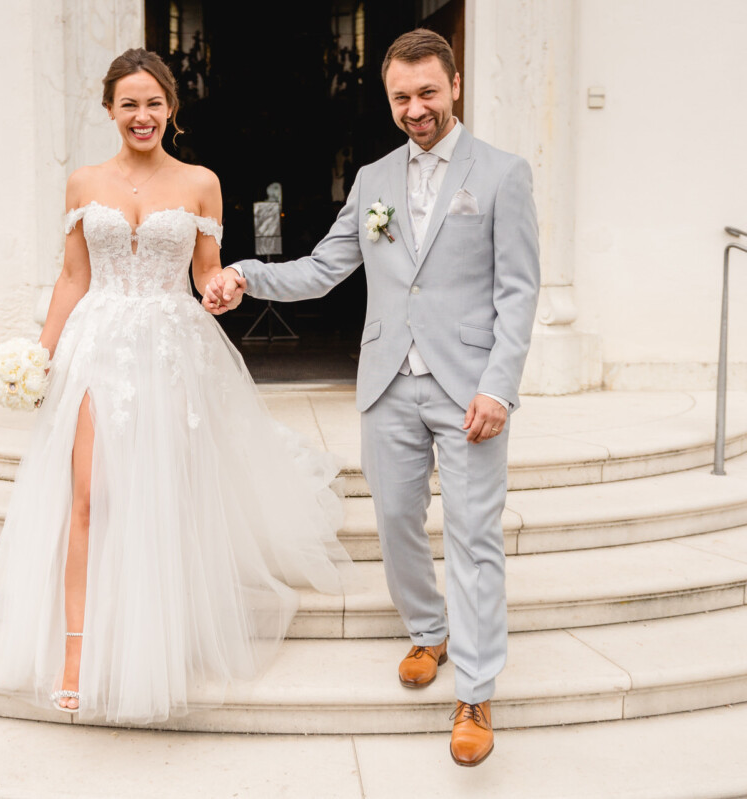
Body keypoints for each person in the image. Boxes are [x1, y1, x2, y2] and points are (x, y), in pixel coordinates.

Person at [0, 48, 352, 724]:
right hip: (96, 344)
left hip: (170, 346)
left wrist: (221, 289)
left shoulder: (201, 183)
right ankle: (75, 649)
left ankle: (163, 636)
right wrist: (41, 353)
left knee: (162, 489)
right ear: (109, 110)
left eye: (154, 103)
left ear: (171, 108)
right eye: (129, 103)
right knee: (89, 495)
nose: (142, 115)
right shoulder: (81, 182)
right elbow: (72, 276)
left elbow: (204, 272)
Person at [205, 29, 540, 766]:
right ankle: (428, 629)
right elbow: (324, 269)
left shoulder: (503, 174)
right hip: (388, 380)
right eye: (401, 96)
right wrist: (247, 274)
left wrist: (500, 388)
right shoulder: (373, 181)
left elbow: (519, 290)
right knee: (393, 521)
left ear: (454, 86)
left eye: (427, 92)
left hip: (469, 390)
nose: (415, 108)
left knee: (475, 538)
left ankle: (476, 691)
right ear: (389, 99)